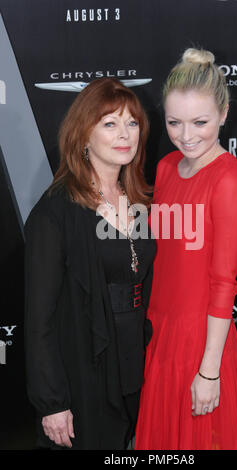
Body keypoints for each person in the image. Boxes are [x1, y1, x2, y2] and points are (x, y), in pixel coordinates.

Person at [24, 77, 156, 450]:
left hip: (138, 362)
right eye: (110, 123)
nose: (124, 133)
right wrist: (53, 404)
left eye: (132, 123)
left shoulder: (142, 202)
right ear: (83, 135)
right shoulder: (55, 213)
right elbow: (40, 321)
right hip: (85, 367)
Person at [134, 48, 237, 450]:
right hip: (159, 336)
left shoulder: (229, 183)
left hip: (201, 346)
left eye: (200, 122)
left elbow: (224, 285)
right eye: (174, 122)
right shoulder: (167, 167)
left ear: (224, 113)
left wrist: (208, 372)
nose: (186, 136)